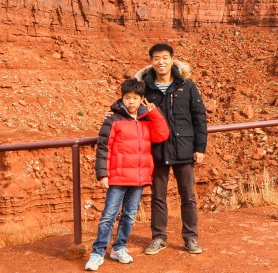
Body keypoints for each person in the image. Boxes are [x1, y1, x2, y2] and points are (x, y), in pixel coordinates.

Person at [85, 78, 170, 271]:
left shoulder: (147, 119)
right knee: (109, 215)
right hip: (117, 176)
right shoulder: (113, 119)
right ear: (122, 98)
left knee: (129, 215)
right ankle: (97, 252)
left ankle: (119, 248)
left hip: (138, 177)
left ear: (142, 99)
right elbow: (103, 148)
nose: (131, 102)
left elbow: (162, 135)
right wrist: (103, 174)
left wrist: (154, 112)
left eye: (135, 98)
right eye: (127, 97)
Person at [136, 42, 208, 255]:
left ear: (172, 59)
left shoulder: (186, 85)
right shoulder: (144, 87)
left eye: (165, 57)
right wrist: (112, 113)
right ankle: (158, 238)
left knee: (188, 196)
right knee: (158, 196)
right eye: (157, 58)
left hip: (184, 149)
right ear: (151, 61)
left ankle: (191, 238)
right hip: (156, 150)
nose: (161, 62)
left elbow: (199, 117)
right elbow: (127, 105)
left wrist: (200, 147)